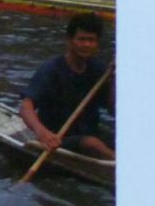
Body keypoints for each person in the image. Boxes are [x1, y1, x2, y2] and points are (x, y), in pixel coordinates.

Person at [19, 12, 115, 159]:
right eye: (81, 39)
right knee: (91, 144)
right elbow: (26, 106)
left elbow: (112, 109)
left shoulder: (98, 70)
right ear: (69, 40)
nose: (86, 45)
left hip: (89, 131)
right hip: (58, 137)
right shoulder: (52, 69)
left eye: (91, 40)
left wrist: (113, 79)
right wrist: (42, 133)